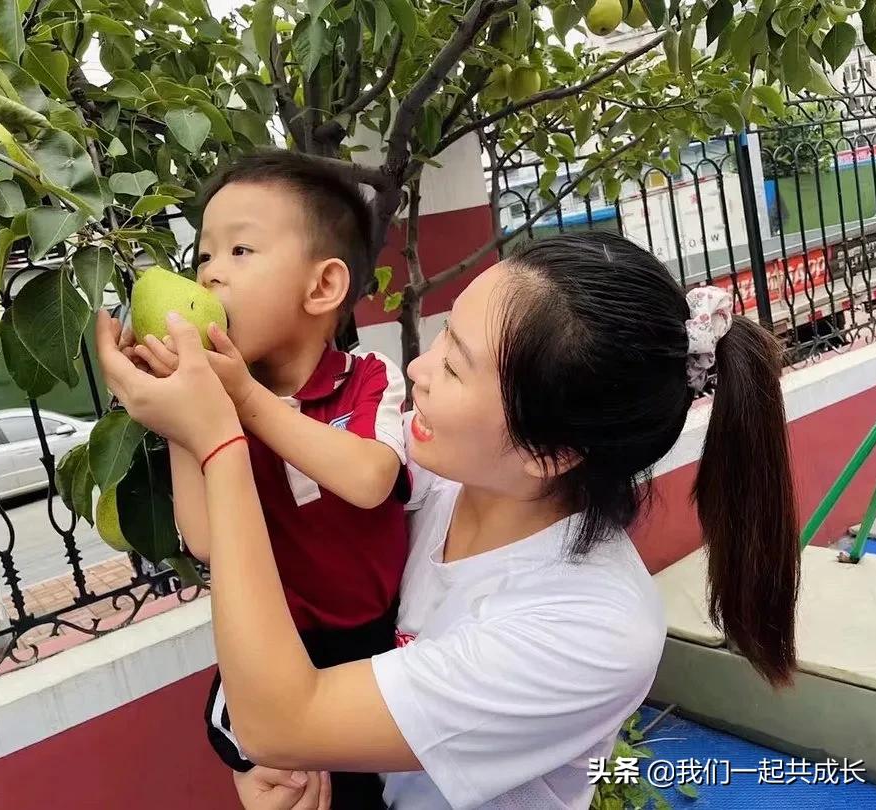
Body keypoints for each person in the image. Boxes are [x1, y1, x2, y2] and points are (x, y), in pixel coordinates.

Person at [97, 231, 800, 809]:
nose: (419, 369)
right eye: (443, 336)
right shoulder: (429, 475)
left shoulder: (590, 628)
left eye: (457, 368)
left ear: (552, 452)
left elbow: (280, 718)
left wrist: (217, 438)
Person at [118, 150, 408, 808]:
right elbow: (204, 539)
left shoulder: (368, 380)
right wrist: (184, 416)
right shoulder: (221, 410)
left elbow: (367, 479)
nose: (212, 273)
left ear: (322, 288)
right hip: (274, 648)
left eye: (241, 251)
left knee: (372, 786)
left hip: (375, 643)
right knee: (271, 764)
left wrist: (245, 402)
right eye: (203, 257)